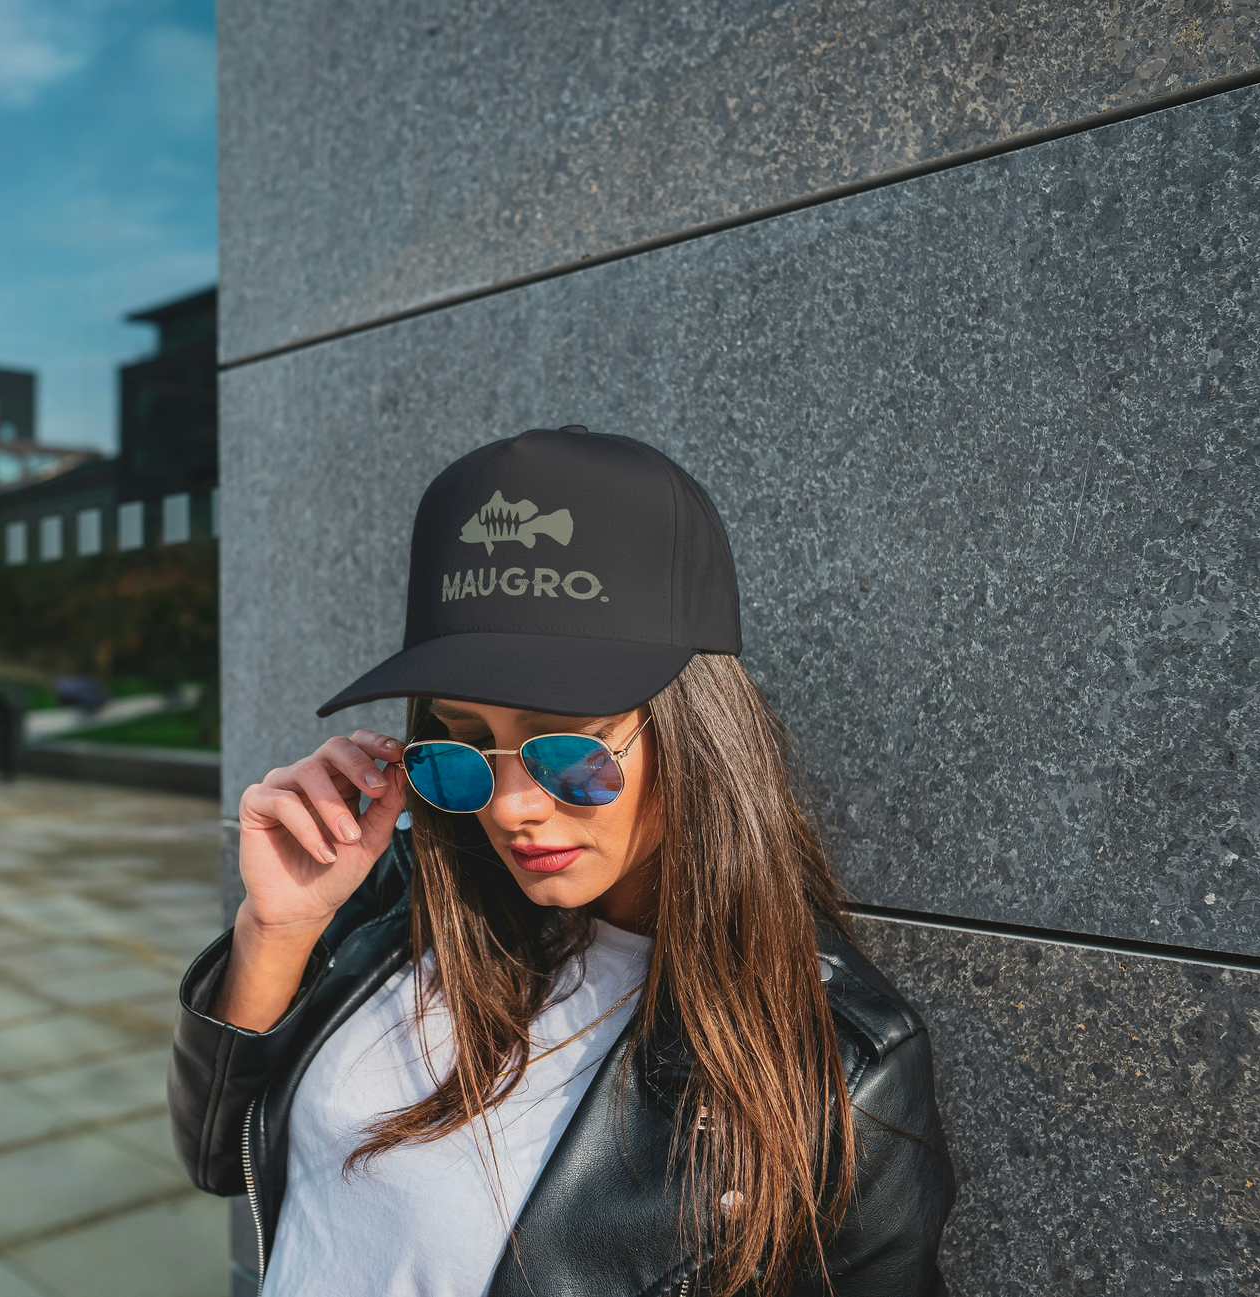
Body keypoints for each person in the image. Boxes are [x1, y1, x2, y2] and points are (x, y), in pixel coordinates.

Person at [170, 426, 955, 1296]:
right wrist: (277, 927)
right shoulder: (407, 893)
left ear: (697, 734)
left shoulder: (840, 1073)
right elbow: (214, 1153)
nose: (508, 806)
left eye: (567, 751)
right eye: (462, 745)